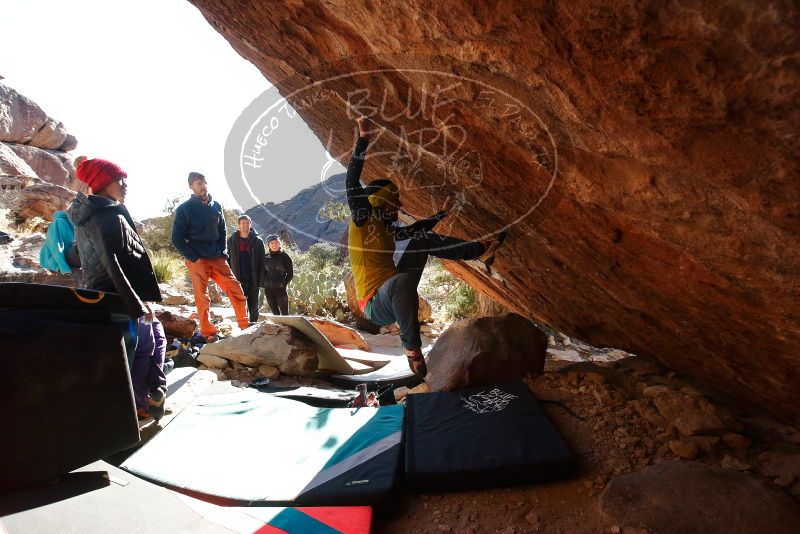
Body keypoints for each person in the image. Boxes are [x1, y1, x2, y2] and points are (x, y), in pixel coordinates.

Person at [346, 117, 506, 377]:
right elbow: (352, 180)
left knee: (418, 244)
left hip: (397, 288)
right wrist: (363, 138)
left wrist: (440, 214)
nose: (398, 206)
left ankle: (479, 251)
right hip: (376, 304)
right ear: (379, 202)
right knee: (401, 282)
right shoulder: (363, 219)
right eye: (393, 202)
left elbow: (416, 231)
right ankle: (412, 350)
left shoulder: (386, 228)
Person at [68, 157, 167, 421]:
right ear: (103, 183)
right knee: (137, 351)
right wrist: (137, 304)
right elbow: (113, 264)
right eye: (119, 180)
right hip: (119, 298)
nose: (125, 185)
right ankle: (132, 410)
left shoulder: (91, 216)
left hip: (108, 297)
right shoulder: (107, 216)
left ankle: (140, 402)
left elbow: (78, 256)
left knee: (142, 346)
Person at [171, 172, 250, 342]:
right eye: (198, 183)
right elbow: (177, 239)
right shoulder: (185, 209)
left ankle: (244, 324)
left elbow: (222, 231)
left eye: (204, 182)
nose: (203, 186)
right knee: (202, 296)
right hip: (197, 259)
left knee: (235, 288)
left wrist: (223, 253)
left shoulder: (216, 206)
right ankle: (208, 332)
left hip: (217, 257)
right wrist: (194, 257)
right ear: (191, 186)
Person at [227, 215, 265, 323]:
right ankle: (243, 326)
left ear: (250, 224)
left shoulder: (258, 241)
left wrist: (261, 280)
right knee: (240, 305)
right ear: (238, 225)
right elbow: (228, 260)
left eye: (247, 223)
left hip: (254, 279)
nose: (245, 225)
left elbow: (262, 262)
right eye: (243, 223)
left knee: (253, 307)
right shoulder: (231, 241)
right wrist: (230, 278)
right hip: (238, 279)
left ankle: (253, 326)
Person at [262, 234, 293, 315]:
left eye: (276, 242)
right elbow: (262, 273)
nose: (274, 245)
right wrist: (265, 283)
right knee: (275, 313)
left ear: (279, 244)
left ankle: (287, 328)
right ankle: (278, 328)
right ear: (268, 245)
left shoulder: (284, 256)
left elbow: (290, 274)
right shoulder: (265, 257)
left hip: (280, 289)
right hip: (268, 290)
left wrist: (283, 284)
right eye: (271, 243)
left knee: (285, 314)